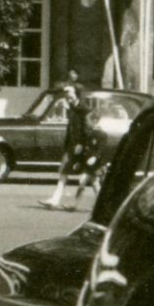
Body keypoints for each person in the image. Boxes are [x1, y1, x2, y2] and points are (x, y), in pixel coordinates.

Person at [41, 75, 95, 211]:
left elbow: (87, 129)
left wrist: (82, 145)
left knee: (93, 179)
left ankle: (104, 205)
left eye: (69, 92)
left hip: (82, 146)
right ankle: (55, 199)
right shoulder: (72, 108)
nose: (66, 95)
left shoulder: (84, 109)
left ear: (76, 93)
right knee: (64, 171)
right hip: (72, 146)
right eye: (65, 93)